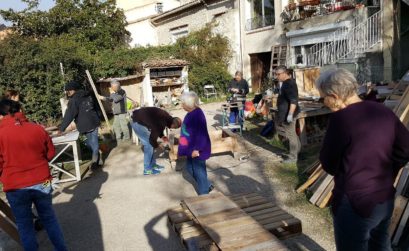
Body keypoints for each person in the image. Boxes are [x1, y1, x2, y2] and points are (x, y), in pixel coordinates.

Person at [317, 69, 409, 251]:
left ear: (334, 96)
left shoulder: (341, 119)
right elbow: (405, 148)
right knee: (381, 246)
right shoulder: (382, 111)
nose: (323, 103)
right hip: (384, 197)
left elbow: (328, 163)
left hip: (354, 202)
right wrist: (388, 170)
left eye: (322, 98)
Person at [0, 99, 67, 251]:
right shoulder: (37, 128)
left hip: (16, 187)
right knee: (49, 218)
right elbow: (50, 153)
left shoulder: (1, 134)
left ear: (2, 115)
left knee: (25, 225)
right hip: (43, 181)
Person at [59, 81, 101, 168]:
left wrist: (62, 128)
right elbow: (96, 108)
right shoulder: (88, 95)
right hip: (89, 123)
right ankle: (97, 155)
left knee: (94, 144)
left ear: (74, 90)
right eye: (67, 91)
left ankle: (94, 163)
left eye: (69, 90)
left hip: (89, 124)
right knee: (90, 144)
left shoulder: (75, 100)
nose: (68, 92)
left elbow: (69, 115)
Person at [178, 92, 213, 195]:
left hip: (197, 150)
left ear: (189, 104)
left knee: (199, 172)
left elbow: (202, 134)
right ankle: (207, 185)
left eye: (183, 103)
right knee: (189, 168)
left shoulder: (198, 115)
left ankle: (204, 195)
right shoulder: (191, 113)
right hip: (190, 148)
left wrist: (197, 149)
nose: (181, 105)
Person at [131, 107, 181, 175]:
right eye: (174, 128)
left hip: (139, 118)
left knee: (151, 145)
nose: (172, 129)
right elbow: (152, 139)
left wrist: (162, 136)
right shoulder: (162, 122)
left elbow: (156, 127)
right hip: (137, 122)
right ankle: (147, 169)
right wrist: (158, 145)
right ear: (172, 124)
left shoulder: (166, 118)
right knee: (149, 145)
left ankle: (152, 165)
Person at [274, 65, 301, 164]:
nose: (277, 76)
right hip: (285, 113)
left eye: (278, 74)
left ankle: (293, 157)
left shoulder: (289, 84)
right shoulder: (284, 83)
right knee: (293, 133)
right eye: (276, 74)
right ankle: (297, 152)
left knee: (291, 135)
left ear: (285, 73)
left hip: (288, 114)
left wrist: (290, 114)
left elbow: (293, 101)